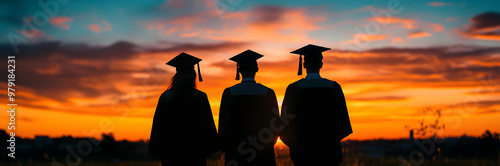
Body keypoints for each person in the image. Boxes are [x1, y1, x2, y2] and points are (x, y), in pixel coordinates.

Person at [280, 44, 353, 166]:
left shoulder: (294, 89)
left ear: (304, 65)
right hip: (329, 155)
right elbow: (344, 125)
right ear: (321, 64)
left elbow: (284, 127)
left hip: (303, 155)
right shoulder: (334, 87)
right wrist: (329, 142)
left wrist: (300, 146)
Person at [148, 52, 218, 166]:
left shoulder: (166, 98)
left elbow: (158, 127)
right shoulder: (200, 97)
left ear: (176, 74)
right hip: (195, 156)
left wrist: (160, 151)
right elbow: (208, 127)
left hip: (171, 156)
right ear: (193, 75)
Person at [218, 50, 279, 166]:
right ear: (257, 69)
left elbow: (223, 128)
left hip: (236, 155)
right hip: (263, 155)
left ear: (239, 70)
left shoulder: (229, 93)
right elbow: (276, 126)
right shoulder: (268, 93)